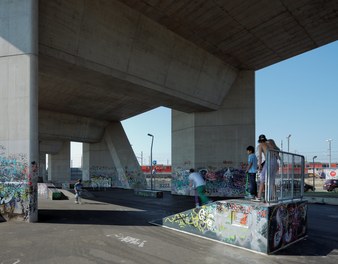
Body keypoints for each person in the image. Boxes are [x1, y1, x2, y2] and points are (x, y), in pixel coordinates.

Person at [252, 134, 280, 202]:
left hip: (269, 162)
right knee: (272, 180)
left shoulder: (261, 145)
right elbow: (276, 153)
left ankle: (259, 197)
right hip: (275, 162)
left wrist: (259, 166)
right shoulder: (269, 143)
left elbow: (260, 157)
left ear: (259, 140)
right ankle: (274, 197)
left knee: (262, 178)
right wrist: (280, 159)